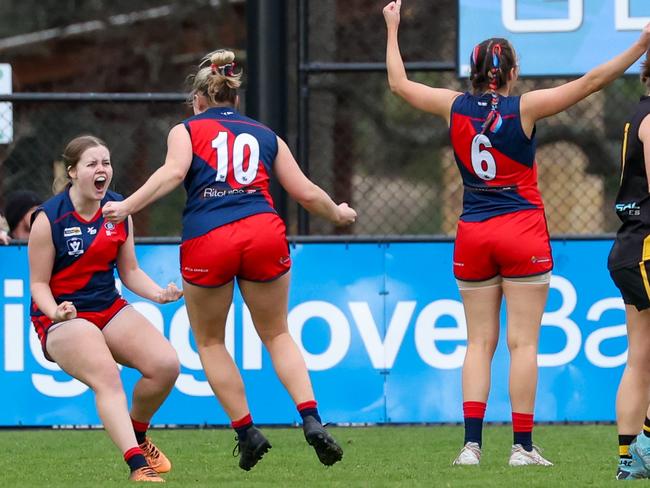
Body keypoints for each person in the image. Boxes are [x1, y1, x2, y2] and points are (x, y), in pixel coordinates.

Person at [383, 0, 650, 467]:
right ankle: (522, 447)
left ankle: (470, 447)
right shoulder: (525, 108)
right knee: (522, 343)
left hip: (473, 232)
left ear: (472, 72)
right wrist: (642, 45)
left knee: (478, 343)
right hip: (521, 229)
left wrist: (392, 28)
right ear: (511, 73)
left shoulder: (453, 107)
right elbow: (592, 82)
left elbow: (399, 84)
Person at [102, 49, 356, 471]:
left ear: (198, 99)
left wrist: (127, 204)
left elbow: (170, 174)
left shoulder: (185, 130)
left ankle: (247, 431)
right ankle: (311, 418)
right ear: (235, 99)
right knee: (277, 334)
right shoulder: (264, 134)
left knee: (210, 342)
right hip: (262, 229)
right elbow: (306, 192)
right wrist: (339, 213)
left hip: (209, 236)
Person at [28, 135, 183, 483]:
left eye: (107, 163)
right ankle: (136, 466)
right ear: (72, 172)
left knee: (166, 365)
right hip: (63, 317)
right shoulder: (49, 218)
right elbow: (38, 284)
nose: (102, 170)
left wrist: (158, 294)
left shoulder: (118, 210)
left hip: (108, 307)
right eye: (92, 164)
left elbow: (129, 272)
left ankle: (139, 437)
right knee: (108, 379)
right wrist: (55, 312)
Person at [608, 52, 650, 480]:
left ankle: (629, 459)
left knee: (640, 358)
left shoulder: (638, 113)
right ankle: (649, 447)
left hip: (631, 246)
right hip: (646, 249)